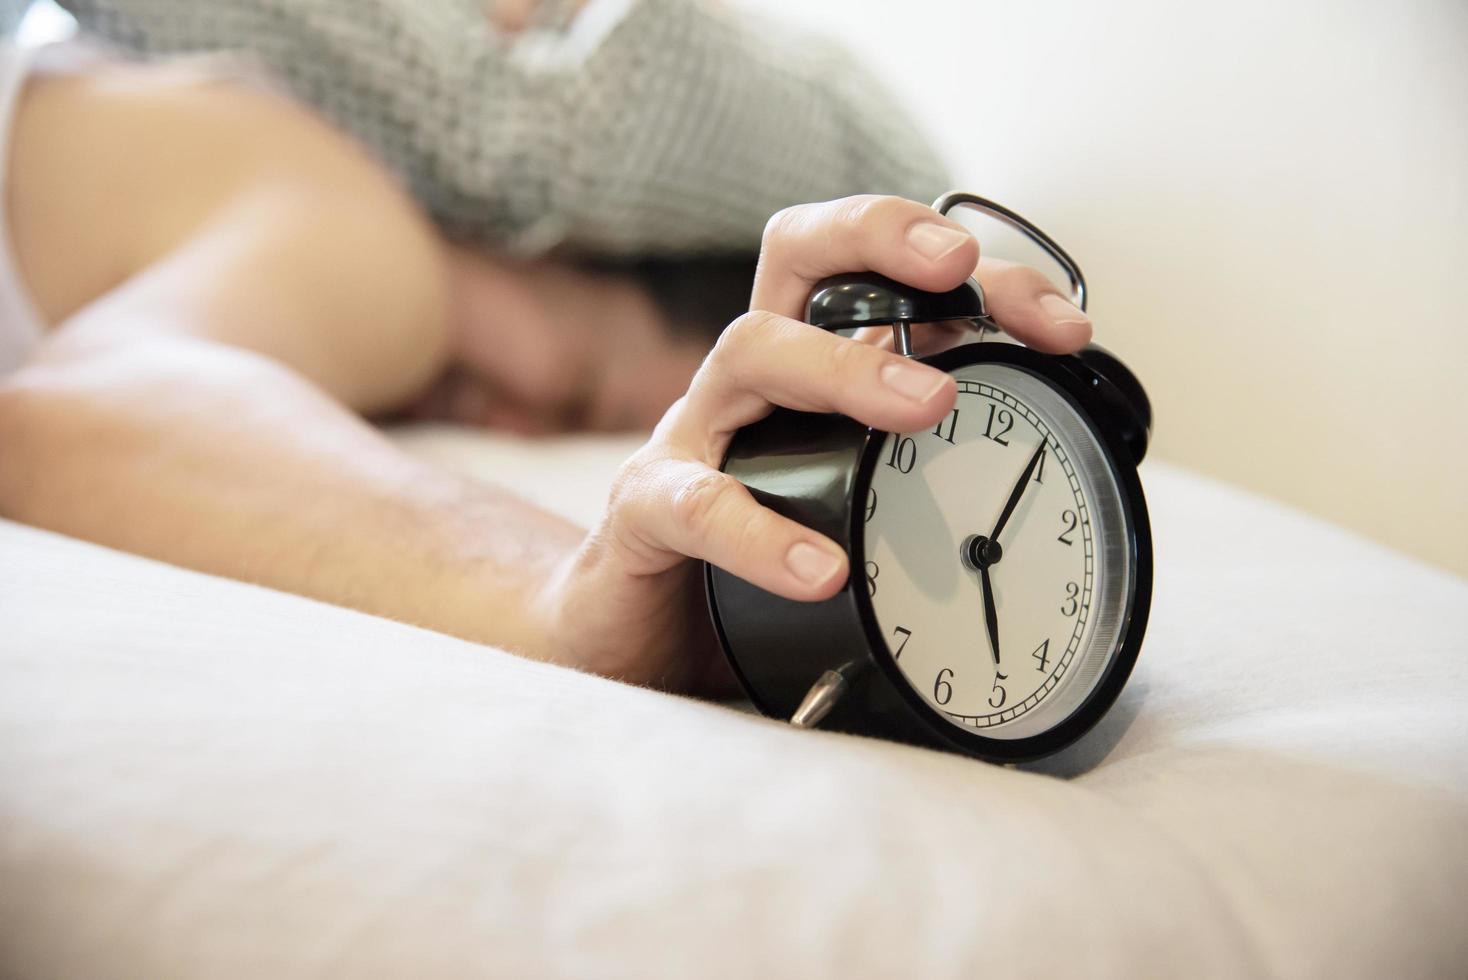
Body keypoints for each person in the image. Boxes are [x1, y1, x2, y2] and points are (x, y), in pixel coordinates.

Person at [0, 41, 1092, 694]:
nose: (519, 427)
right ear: (558, 242)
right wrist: (551, 593)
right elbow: (80, 408)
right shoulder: (355, 223)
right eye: (577, 389)